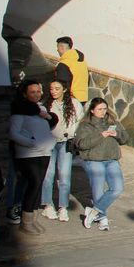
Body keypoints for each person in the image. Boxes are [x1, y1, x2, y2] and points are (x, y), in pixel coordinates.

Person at [72, 97, 130, 230]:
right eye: (99, 109)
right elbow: (82, 144)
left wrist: (117, 134)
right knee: (98, 191)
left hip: (111, 160)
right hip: (94, 161)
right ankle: (102, 219)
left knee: (117, 188)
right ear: (92, 111)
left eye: (105, 109)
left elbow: (125, 138)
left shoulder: (112, 121)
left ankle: (94, 211)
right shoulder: (85, 125)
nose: (103, 112)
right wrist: (101, 135)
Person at [8, 79, 55, 232]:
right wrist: (32, 143)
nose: (36, 94)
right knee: (33, 183)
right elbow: (13, 134)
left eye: (38, 91)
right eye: (32, 92)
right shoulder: (20, 111)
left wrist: (48, 118)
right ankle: (26, 221)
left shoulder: (40, 109)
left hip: (44, 152)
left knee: (39, 184)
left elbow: (48, 125)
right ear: (24, 94)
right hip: (28, 154)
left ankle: (33, 218)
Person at [40, 78, 80, 221]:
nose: (53, 92)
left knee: (64, 175)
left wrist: (71, 134)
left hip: (65, 143)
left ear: (64, 89)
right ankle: (47, 205)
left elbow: (78, 122)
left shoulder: (74, 104)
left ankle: (63, 207)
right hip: (49, 143)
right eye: (51, 89)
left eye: (57, 88)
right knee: (48, 175)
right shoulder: (45, 104)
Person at [52, 36, 90, 103]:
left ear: (62, 47)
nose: (57, 50)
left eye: (58, 47)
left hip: (71, 100)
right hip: (83, 98)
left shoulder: (64, 64)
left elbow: (62, 84)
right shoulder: (83, 62)